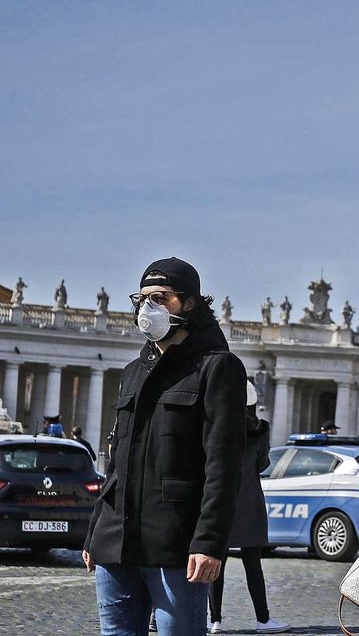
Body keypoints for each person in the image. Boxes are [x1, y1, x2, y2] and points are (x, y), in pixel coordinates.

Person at [83, 257, 247, 636]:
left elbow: (223, 465)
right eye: (141, 299)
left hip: (175, 546)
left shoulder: (218, 367)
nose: (147, 308)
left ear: (189, 303)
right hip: (115, 543)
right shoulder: (132, 372)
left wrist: (209, 543)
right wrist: (94, 531)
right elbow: (115, 463)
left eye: (160, 298)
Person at [208, 381, 289, 634]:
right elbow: (262, 463)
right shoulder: (259, 430)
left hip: (220, 499)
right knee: (253, 564)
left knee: (215, 563)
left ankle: (215, 620)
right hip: (249, 500)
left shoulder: (216, 426)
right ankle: (262, 619)